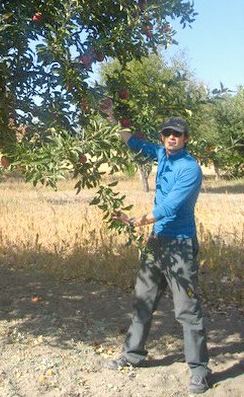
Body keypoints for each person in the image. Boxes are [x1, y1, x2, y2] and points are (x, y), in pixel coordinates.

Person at [99, 97, 211, 395]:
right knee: (143, 299)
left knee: (187, 310)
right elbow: (133, 142)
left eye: (177, 134)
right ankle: (133, 354)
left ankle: (199, 370)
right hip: (156, 243)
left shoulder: (190, 169)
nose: (171, 138)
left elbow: (171, 207)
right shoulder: (161, 155)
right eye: (167, 133)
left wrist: (136, 220)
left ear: (186, 139)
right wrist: (111, 117)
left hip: (180, 246)